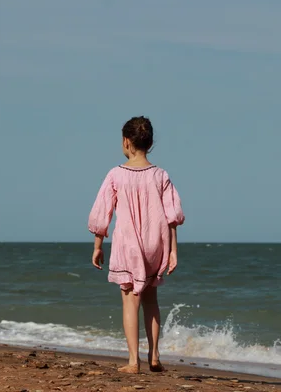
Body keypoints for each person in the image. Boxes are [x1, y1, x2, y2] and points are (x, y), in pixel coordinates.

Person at [88, 116, 185, 374]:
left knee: (130, 298)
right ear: (150, 143)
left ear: (126, 142)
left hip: (127, 242)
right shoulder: (160, 175)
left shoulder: (116, 174)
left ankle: (133, 361)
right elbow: (172, 216)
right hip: (156, 242)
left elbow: (102, 213)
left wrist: (98, 245)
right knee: (151, 299)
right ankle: (154, 357)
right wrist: (173, 251)